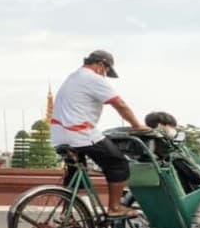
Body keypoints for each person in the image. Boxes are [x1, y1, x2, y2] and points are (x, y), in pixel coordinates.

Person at [52, 50, 149, 218]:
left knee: (75, 172)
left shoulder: (73, 77)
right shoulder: (93, 78)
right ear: (101, 65)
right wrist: (137, 125)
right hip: (80, 134)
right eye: (106, 71)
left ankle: (66, 215)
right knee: (118, 164)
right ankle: (115, 208)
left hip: (59, 135)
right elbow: (119, 104)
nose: (104, 75)